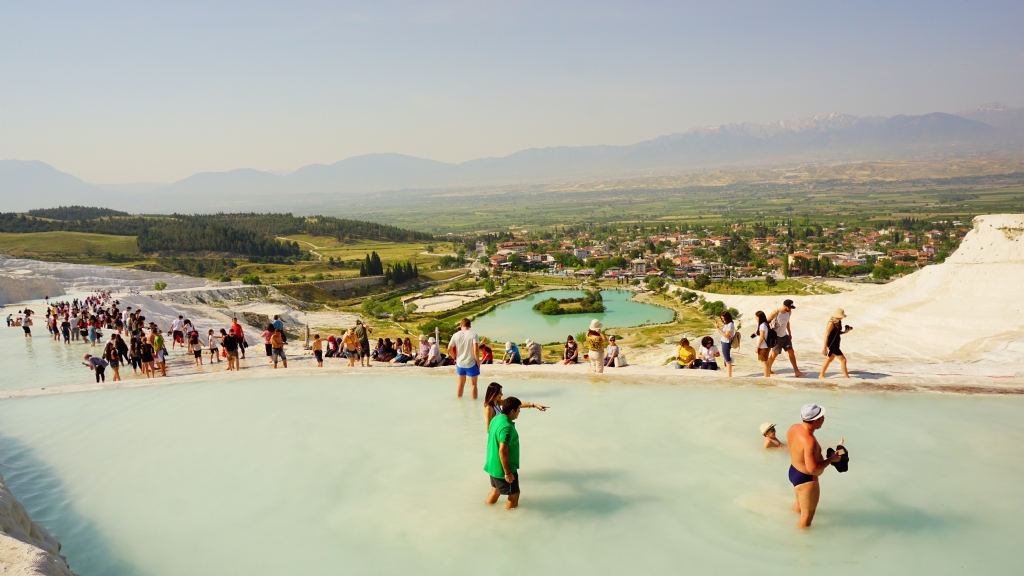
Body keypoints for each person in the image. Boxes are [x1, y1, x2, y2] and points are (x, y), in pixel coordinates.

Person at [786, 404, 844, 528]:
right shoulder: (809, 441)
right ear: (816, 421)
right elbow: (813, 468)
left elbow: (798, 449)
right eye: (822, 417)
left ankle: (789, 525)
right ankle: (801, 544)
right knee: (806, 517)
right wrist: (831, 459)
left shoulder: (794, 428)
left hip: (793, 471)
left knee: (799, 505)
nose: (824, 419)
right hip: (806, 479)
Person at [484, 397, 523, 510]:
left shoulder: (496, 419)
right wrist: (507, 473)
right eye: (518, 409)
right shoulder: (507, 427)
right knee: (514, 494)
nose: (519, 411)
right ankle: (509, 521)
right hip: (503, 469)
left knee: (495, 490)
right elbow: (502, 450)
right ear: (512, 411)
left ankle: (486, 509)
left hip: (492, 465)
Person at [483, 382, 549, 431]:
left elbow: (515, 404)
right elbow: (488, 429)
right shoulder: (489, 408)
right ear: (493, 394)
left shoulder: (498, 402)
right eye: (500, 393)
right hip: (498, 436)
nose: (502, 394)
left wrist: (534, 405)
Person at [766, 299, 806, 377]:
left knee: (791, 352)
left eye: (791, 308)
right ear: (784, 305)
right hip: (776, 337)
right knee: (774, 355)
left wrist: (790, 333)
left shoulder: (789, 312)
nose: (790, 309)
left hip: (785, 335)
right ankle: (768, 370)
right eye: (789, 307)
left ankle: (797, 372)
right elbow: (766, 321)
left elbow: (787, 322)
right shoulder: (775, 312)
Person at [449, 318, 481, 398]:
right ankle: (474, 406)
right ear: (470, 326)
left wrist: (455, 358)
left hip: (460, 363)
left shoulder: (455, 335)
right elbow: (476, 349)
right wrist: (478, 361)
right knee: (473, 385)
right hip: (471, 363)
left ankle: (459, 402)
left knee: (460, 384)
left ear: (461, 325)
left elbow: (449, 348)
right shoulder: (474, 335)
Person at [820, 309, 853, 379]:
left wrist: (845, 332)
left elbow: (837, 333)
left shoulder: (839, 321)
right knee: (843, 360)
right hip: (832, 344)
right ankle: (847, 377)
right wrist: (824, 348)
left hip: (836, 343)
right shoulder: (831, 323)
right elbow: (826, 335)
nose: (842, 318)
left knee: (829, 359)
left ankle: (821, 375)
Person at [714, 311, 736, 377]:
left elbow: (726, 335)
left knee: (727, 360)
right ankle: (729, 375)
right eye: (721, 318)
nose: (722, 320)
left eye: (723, 318)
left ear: (727, 317)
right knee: (726, 358)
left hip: (726, 343)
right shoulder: (727, 324)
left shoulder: (730, 324)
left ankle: (729, 376)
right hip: (724, 342)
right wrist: (718, 327)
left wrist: (718, 328)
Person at [751, 311, 772, 378]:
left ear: (759, 317)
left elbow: (762, 338)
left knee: (764, 363)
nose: (756, 318)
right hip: (766, 346)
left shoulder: (762, 325)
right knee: (766, 363)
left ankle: (766, 378)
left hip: (763, 347)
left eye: (756, 317)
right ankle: (768, 377)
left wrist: (757, 347)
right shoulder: (765, 324)